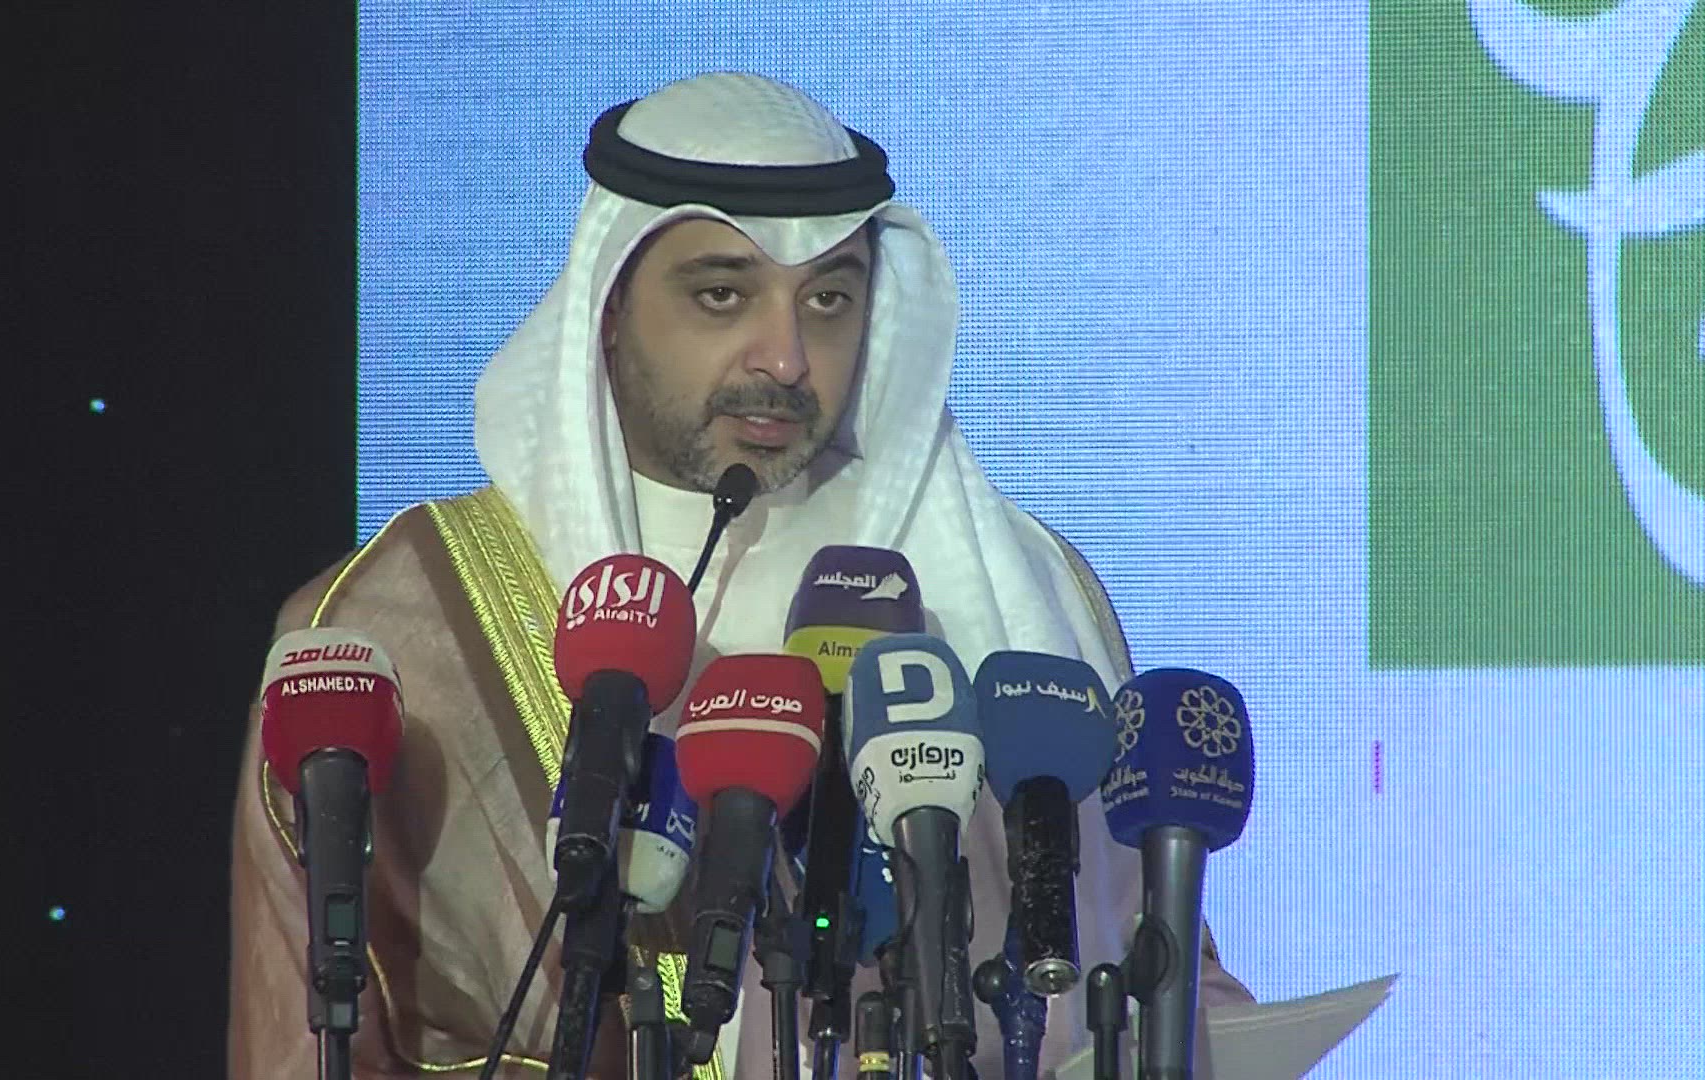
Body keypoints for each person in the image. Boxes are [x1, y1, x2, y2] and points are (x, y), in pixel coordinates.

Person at [227, 71, 1254, 1080]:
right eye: (722, 295)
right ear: (608, 305)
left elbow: (1162, 977)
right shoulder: (399, 622)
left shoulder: (1026, 592)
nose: (786, 357)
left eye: (830, 299)